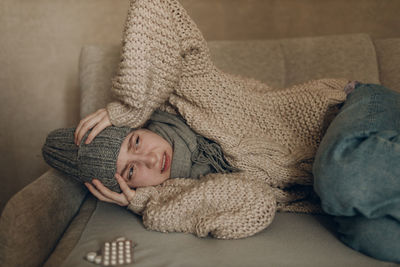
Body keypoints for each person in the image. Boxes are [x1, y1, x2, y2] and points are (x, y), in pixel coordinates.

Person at [42, 0, 399, 262]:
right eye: (131, 170)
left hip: (353, 110)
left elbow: (157, 7)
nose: (150, 158)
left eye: (135, 141)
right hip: (345, 184)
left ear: (138, 126)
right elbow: (254, 208)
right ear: (127, 186)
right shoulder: (181, 189)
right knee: (369, 233)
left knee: (342, 174)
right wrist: (147, 202)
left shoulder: (187, 91)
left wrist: (128, 107)